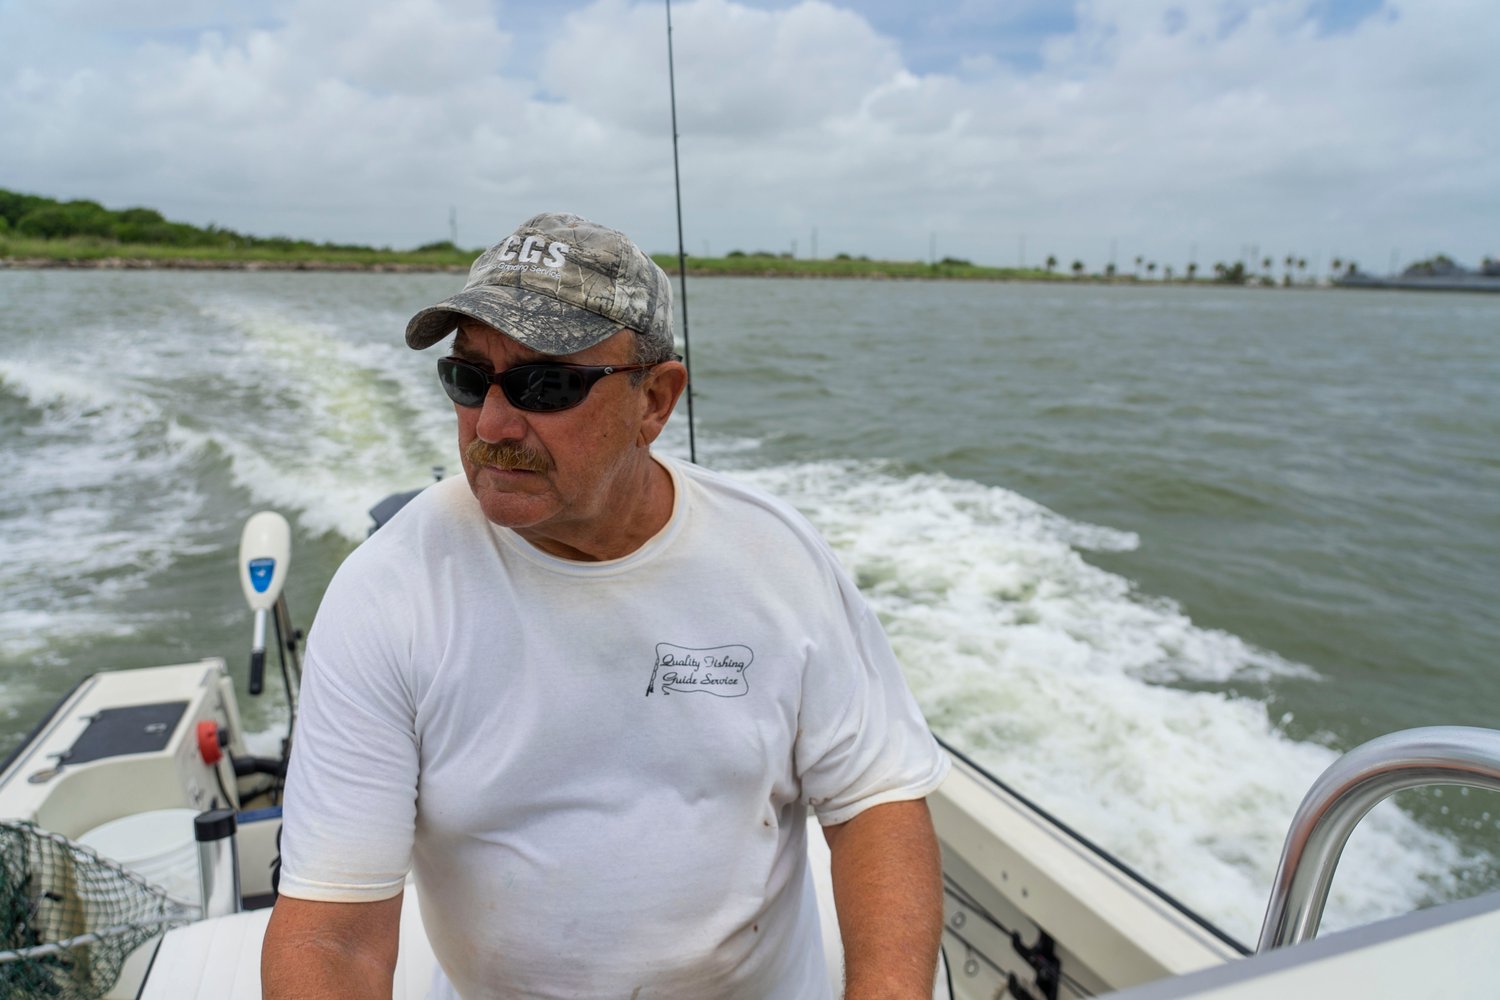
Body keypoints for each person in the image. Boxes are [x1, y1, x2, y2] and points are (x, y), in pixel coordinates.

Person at [261, 212, 951, 999]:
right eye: (467, 378)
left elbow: (874, 803)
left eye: (544, 385)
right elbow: (331, 934)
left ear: (655, 401)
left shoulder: (777, 558)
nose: (490, 424)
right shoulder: (389, 593)